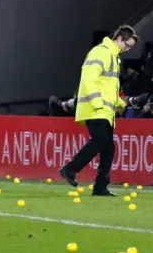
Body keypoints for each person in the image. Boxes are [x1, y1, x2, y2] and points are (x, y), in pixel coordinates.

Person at [59, 26, 138, 196]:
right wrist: (97, 103)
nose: (127, 49)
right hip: (96, 108)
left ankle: (100, 186)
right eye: (127, 45)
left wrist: (122, 103)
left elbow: (108, 87)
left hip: (104, 110)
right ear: (119, 39)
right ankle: (70, 169)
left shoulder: (112, 56)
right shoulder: (101, 52)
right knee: (101, 141)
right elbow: (88, 80)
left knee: (108, 147)